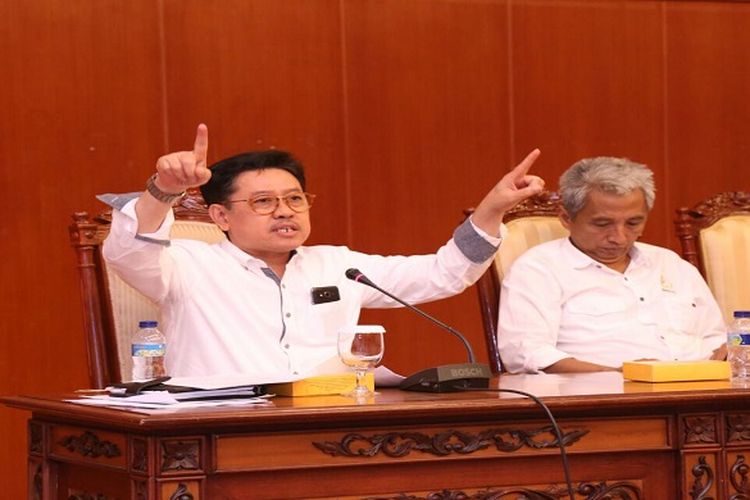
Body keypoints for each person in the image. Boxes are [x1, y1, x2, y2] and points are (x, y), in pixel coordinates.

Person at [103, 124, 544, 378]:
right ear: (220, 216)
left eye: (295, 199)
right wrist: (163, 191)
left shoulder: (339, 266)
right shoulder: (186, 265)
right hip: (224, 428)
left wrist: (491, 210)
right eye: (263, 202)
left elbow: (442, 274)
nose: (285, 211)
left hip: (329, 425)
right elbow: (128, 253)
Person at [497, 156, 726, 374]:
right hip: (605, 393)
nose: (619, 237)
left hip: (704, 389)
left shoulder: (670, 263)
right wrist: (619, 375)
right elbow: (527, 354)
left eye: (633, 223)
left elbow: (717, 340)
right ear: (566, 218)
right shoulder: (538, 269)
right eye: (602, 224)